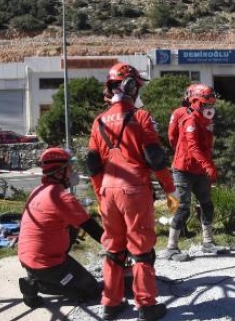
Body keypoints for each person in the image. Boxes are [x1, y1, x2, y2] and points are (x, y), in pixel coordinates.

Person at [87, 62, 176, 321]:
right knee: (141, 248)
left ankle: (110, 304)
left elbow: (92, 163)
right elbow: (155, 158)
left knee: (114, 249)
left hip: (107, 190)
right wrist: (170, 190)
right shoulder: (141, 117)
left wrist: (99, 193)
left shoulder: (98, 120)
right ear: (130, 86)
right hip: (134, 189)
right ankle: (146, 305)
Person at [17, 147, 104, 308]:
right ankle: (35, 285)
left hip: (28, 258)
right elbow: (94, 230)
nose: (73, 173)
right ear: (58, 173)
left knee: (72, 226)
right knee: (91, 288)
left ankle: (38, 278)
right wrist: (118, 247)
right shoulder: (61, 197)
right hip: (47, 264)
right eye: (70, 169)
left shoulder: (38, 191)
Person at [165, 84, 223, 261]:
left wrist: (206, 164)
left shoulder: (204, 119)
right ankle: (171, 247)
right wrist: (206, 164)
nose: (209, 107)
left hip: (200, 168)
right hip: (184, 169)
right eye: (206, 103)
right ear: (195, 101)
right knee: (182, 207)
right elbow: (191, 145)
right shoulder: (189, 120)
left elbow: (206, 145)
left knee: (207, 204)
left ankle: (208, 241)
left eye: (211, 103)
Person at [167, 84, 196, 150]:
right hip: (201, 155)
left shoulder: (178, 112)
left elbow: (171, 135)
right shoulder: (206, 113)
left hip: (183, 154)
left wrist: (179, 150)